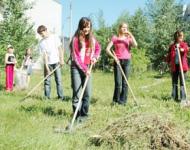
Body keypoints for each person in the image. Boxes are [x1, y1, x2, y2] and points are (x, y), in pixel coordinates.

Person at [70, 17, 101, 121]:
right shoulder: (75, 39)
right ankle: (77, 115)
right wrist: (84, 69)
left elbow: (98, 48)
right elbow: (77, 57)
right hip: (76, 68)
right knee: (77, 92)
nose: (86, 29)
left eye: (88, 26)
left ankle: (84, 115)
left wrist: (95, 57)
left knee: (87, 93)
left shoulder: (92, 39)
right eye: (84, 26)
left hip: (88, 67)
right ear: (80, 27)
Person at [106, 22, 137, 105]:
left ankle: (123, 102)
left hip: (127, 61)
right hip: (117, 61)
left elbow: (135, 45)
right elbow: (107, 49)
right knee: (118, 82)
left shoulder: (128, 38)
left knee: (125, 82)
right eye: (123, 27)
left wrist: (130, 34)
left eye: (126, 28)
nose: (124, 29)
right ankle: (116, 101)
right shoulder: (115, 38)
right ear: (119, 28)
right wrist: (114, 57)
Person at [37, 25, 64, 100]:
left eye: (42, 34)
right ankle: (47, 97)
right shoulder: (41, 42)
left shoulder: (54, 37)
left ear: (45, 30)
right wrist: (46, 67)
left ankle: (60, 97)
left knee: (58, 80)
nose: (42, 36)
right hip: (48, 63)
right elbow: (44, 55)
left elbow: (60, 49)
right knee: (47, 81)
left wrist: (61, 60)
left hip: (56, 62)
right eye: (40, 35)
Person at [166, 31, 189, 102]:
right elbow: (169, 55)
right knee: (174, 82)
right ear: (177, 37)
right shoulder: (172, 46)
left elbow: (186, 49)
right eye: (180, 36)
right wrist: (167, 60)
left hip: (182, 66)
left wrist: (182, 49)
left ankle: (183, 98)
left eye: (182, 36)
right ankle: (174, 97)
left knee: (182, 83)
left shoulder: (184, 44)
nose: (182, 38)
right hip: (175, 66)